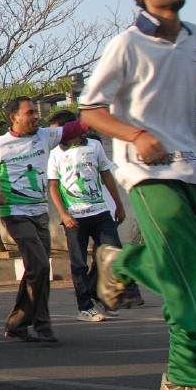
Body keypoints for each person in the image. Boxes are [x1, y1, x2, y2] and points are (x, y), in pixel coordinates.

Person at [80, 0, 196, 390]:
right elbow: (90, 110)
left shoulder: (195, 37)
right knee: (188, 280)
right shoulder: (127, 44)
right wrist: (136, 133)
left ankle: (121, 262)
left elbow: (189, 93)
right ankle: (188, 379)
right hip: (151, 172)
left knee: (193, 278)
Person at [0, 97, 87, 344]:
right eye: (30, 112)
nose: (37, 116)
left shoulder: (45, 136)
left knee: (37, 268)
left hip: (40, 215)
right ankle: (42, 323)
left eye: (36, 112)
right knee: (41, 266)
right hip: (15, 214)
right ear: (14, 117)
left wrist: (100, 108)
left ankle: (17, 323)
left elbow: (78, 127)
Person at [46, 109, 128, 321]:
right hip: (75, 216)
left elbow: (107, 175)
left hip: (100, 212)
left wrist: (118, 205)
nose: (54, 136)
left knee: (113, 254)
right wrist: (63, 214)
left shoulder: (94, 146)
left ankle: (99, 294)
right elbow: (53, 186)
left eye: (57, 131)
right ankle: (85, 307)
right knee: (79, 263)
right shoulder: (55, 153)